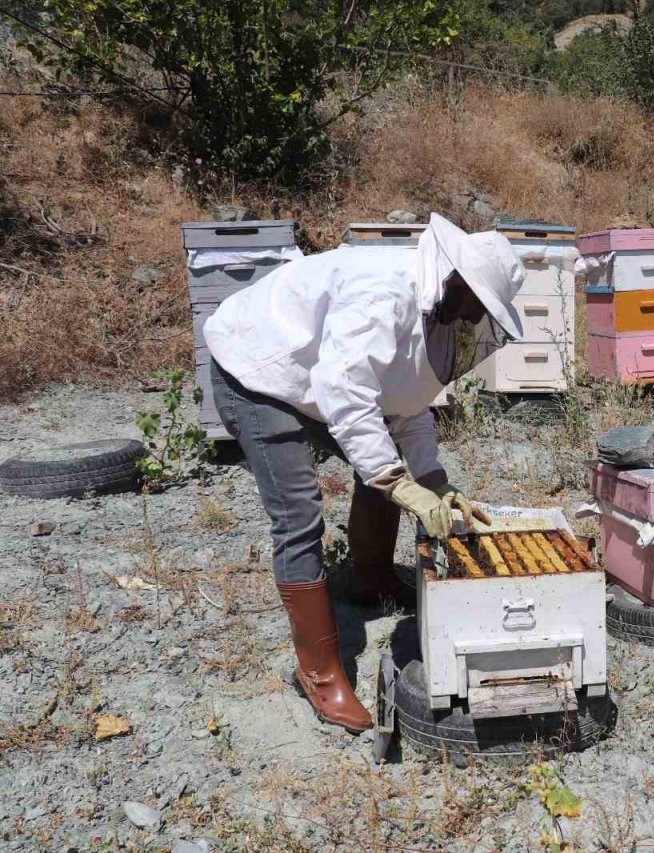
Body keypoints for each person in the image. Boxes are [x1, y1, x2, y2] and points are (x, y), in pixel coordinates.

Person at [203, 213, 524, 733]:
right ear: (457, 279)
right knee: (299, 513)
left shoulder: (431, 307)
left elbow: (406, 406)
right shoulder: (384, 292)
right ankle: (320, 671)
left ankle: (369, 581)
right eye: (476, 304)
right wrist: (398, 481)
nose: (471, 319)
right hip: (259, 369)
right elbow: (346, 391)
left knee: (386, 469)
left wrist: (433, 480)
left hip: (316, 377)